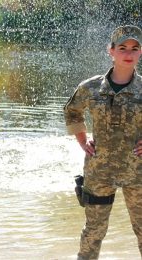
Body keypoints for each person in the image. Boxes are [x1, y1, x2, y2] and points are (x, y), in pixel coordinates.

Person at [64, 25, 142, 259]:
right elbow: (72, 111)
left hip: (138, 173)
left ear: (140, 52)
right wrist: (82, 140)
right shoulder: (91, 87)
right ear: (111, 51)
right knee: (93, 232)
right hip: (100, 172)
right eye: (122, 48)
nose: (128, 53)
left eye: (134, 48)